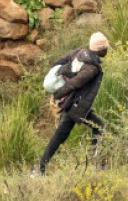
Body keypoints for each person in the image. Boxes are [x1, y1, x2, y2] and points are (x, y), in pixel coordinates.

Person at [36, 32, 110, 176]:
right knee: (61, 136)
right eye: (106, 48)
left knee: (97, 126)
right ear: (100, 50)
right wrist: (57, 95)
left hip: (75, 103)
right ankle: (40, 169)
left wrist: (62, 78)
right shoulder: (91, 68)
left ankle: (97, 164)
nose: (107, 50)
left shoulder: (78, 52)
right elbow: (74, 84)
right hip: (74, 105)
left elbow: (56, 63)